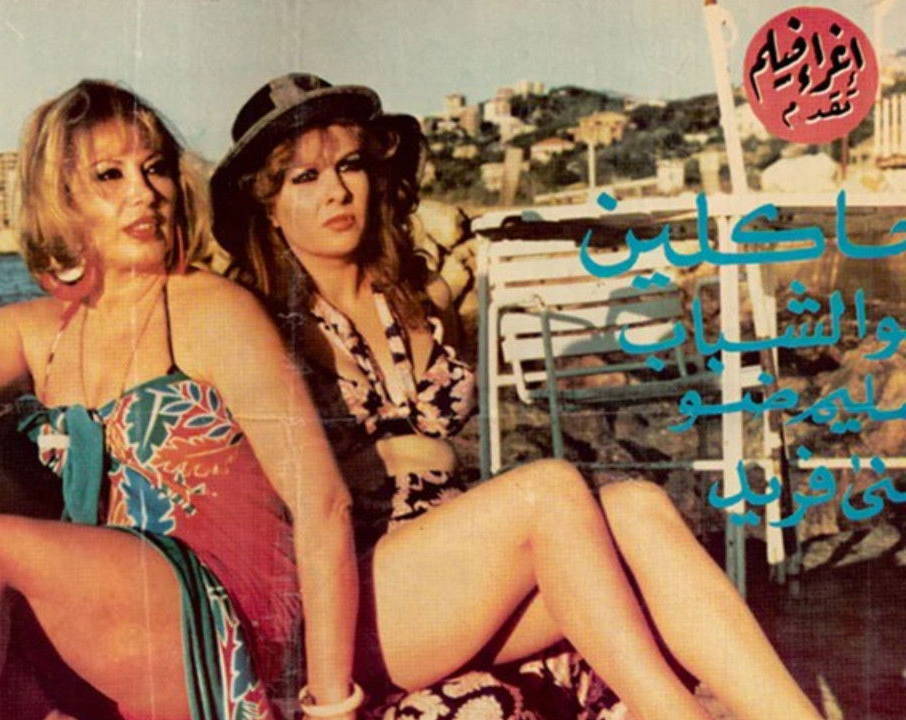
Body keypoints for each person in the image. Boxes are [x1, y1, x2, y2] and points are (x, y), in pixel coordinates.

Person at [210, 73, 823, 720]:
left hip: (454, 579)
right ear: (265, 204)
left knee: (638, 507)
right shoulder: (261, 324)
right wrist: (401, 457)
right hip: (353, 607)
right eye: (304, 178)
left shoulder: (407, 300)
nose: (336, 191)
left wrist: (418, 452)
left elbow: (432, 433)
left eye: (350, 165)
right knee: (548, 491)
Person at [0, 80, 363, 720]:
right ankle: (30, 708)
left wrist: (330, 704)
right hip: (114, 622)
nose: (144, 192)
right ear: (62, 201)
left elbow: (323, 503)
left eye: (155, 169)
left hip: (222, 624)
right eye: (110, 175)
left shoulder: (212, 310)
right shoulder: (41, 331)